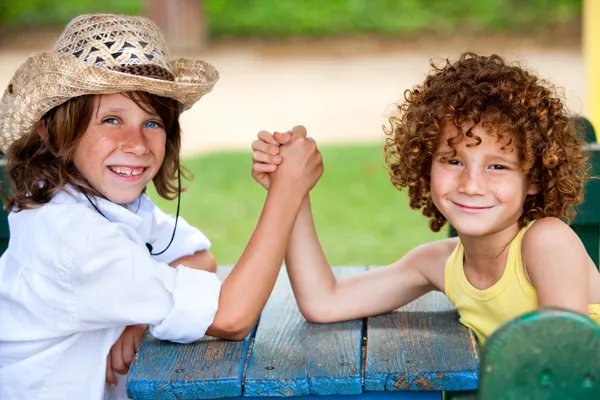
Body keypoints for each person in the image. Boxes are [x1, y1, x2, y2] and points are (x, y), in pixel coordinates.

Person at [0, 14, 322, 400]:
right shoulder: (77, 237)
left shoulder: (97, 199)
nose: (136, 143)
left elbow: (199, 257)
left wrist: (140, 313)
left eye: (151, 123)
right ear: (51, 132)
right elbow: (233, 317)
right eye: (112, 119)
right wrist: (286, 191)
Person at [251, 52, 600, 346]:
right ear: (426, 162)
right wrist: (292, 190)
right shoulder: (439, 263)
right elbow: (324, 301)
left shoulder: (547, 243)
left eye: (497, 166)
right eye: (453, 160)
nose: (471, 184)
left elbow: (565, 364)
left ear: (534, 179)